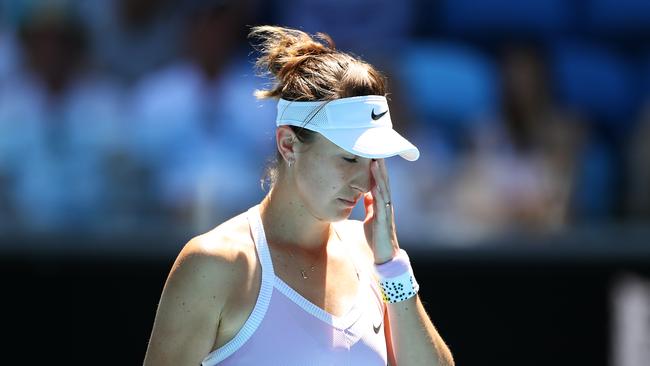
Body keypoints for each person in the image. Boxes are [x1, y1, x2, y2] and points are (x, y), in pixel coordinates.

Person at [143, 25, 455, 366]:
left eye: (372, 162)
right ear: (288, 144)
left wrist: (392, 266)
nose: (364, 183)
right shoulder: (215, 264)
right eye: (348, 158)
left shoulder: (373, 257)